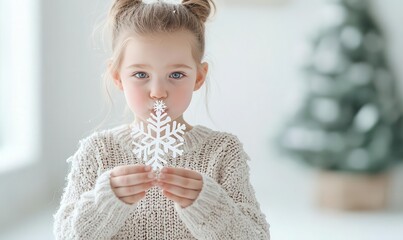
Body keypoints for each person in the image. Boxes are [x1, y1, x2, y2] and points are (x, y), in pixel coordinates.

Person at [53, 0, 270, 239]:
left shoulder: (223, 151)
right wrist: (105, 203)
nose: (158, 91)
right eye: (140, 74)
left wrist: (209, 205)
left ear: (198, 77)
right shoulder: (97, 151)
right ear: (117, 77)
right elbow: (65, 236)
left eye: (176, 74)